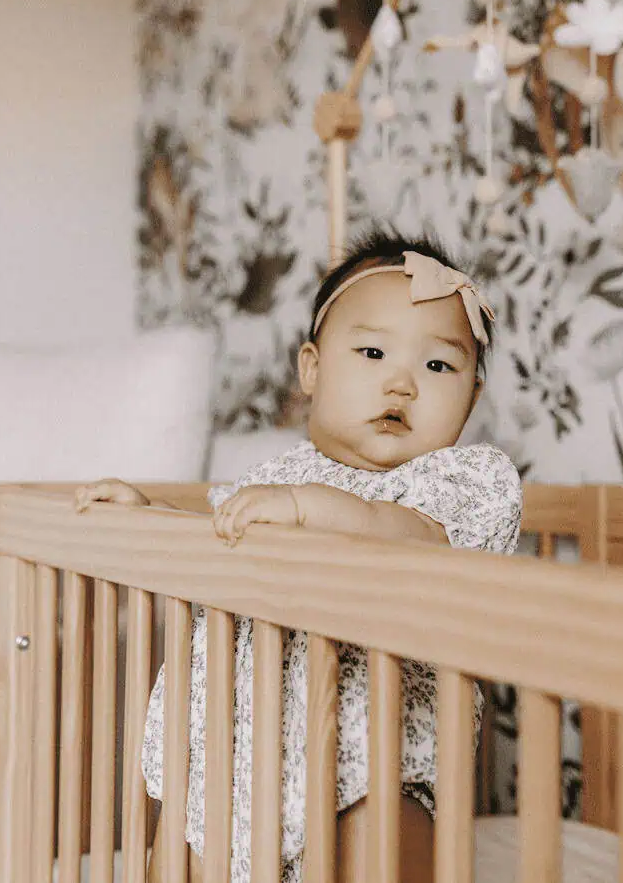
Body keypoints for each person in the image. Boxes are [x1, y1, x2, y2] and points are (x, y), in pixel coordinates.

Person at [75, 230, 523, 883]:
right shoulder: (280, 474)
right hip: (243, 748)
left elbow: (405, 534)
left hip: (378, 742)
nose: (401, 382)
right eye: (372, 351)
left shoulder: (468, 479)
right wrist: (149, 516)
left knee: (383, 843)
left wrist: (307, 508)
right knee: (179, 851)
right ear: (312, 369)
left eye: (438, 366)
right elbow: (222, 538)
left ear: (472, 397)